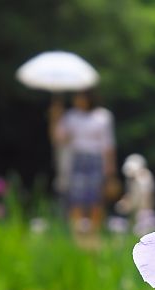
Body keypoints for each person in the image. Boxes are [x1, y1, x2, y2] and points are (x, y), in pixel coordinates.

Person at [49, 90, 116, 237]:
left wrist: (110, 171)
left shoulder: (102, 116)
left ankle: (94, 232)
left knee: (96, 197)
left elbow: (108, 145)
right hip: (77, 158)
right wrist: (55, 118)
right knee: (76, 196)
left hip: (96, 159)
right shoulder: (71, 116)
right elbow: (59, 139)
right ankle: (77, 232)